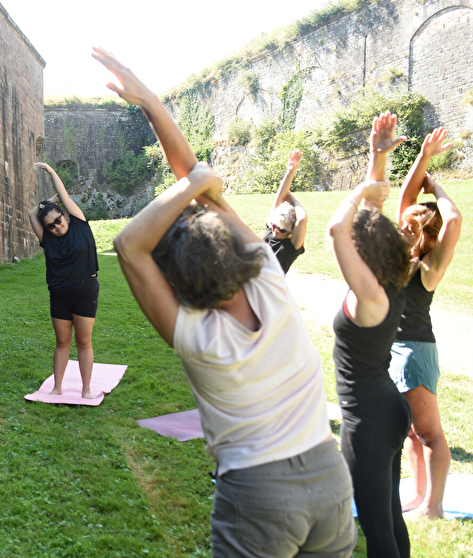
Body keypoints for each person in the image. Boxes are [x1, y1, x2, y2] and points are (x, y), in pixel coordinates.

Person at [97, 46, 355, 557]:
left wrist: (189, 181)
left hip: (260, 494)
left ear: (178, 286)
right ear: (232, 248)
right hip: (330, 478)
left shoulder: (197, 337)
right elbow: (197, 179)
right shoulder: (268, 278)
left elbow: (128, 244)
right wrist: (152, 104)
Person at [327, 111, 413, 557]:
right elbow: (369, 217)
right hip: (388, 407)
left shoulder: (369, 294)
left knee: (377, 530)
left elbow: (337, 229)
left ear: (365, 253)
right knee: (390, 517)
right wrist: (376, 157)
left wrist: (360, 190)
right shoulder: (389, 281)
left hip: (369, 422)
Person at [391, 127, 462, 519]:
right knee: (412, 433)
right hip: (396, 348)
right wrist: (423, 156)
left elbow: (455, 218)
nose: (404, 224)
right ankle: (418, 497)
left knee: (429, 432)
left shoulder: (428, 268)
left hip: (415, 349)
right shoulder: (402, 252)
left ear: (426, 233)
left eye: (413, 224)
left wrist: (434, 184)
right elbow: (405, 197)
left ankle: (433, 507)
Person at [27, 162, 99, 399]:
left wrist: (51, 172)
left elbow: (65, 195)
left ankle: (86, 389)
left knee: (84, 342)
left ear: (65, 215)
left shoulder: (79, 223)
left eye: (58, 220)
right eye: (51, 225)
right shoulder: (47, 239)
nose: (57, 226)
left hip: (85, 290)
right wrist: (48, 203)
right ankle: (57, 387)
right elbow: (30, 214)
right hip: (59, 294)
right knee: (62, 341)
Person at [264, 149, 308, 273]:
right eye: (274, 226)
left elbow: (302, 220)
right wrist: (291, 170)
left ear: (290, 232)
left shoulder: (290, 248)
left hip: (269, 291)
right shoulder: (271, 231)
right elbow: (279, 198)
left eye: (281, 229)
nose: (275, 230)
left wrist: (295, 201)